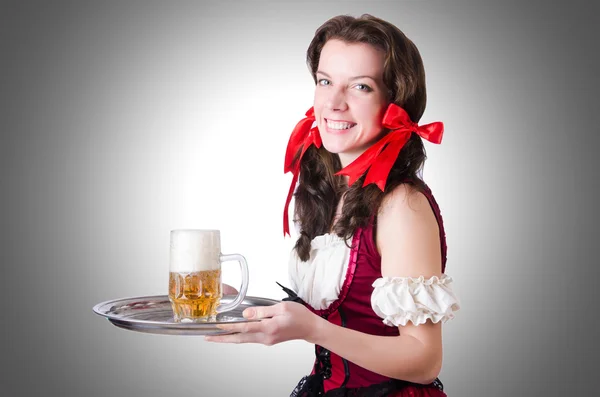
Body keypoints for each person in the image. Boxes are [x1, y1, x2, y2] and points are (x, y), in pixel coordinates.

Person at [205, 14, 460, 397]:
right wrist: (243, 307)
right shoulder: (331, 190)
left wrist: (312, 329)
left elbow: (424, 361)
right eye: (325, 81)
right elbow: (342, 314)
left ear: (396, 104)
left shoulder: (402, 207)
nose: (334, 103)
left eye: (360, 86)